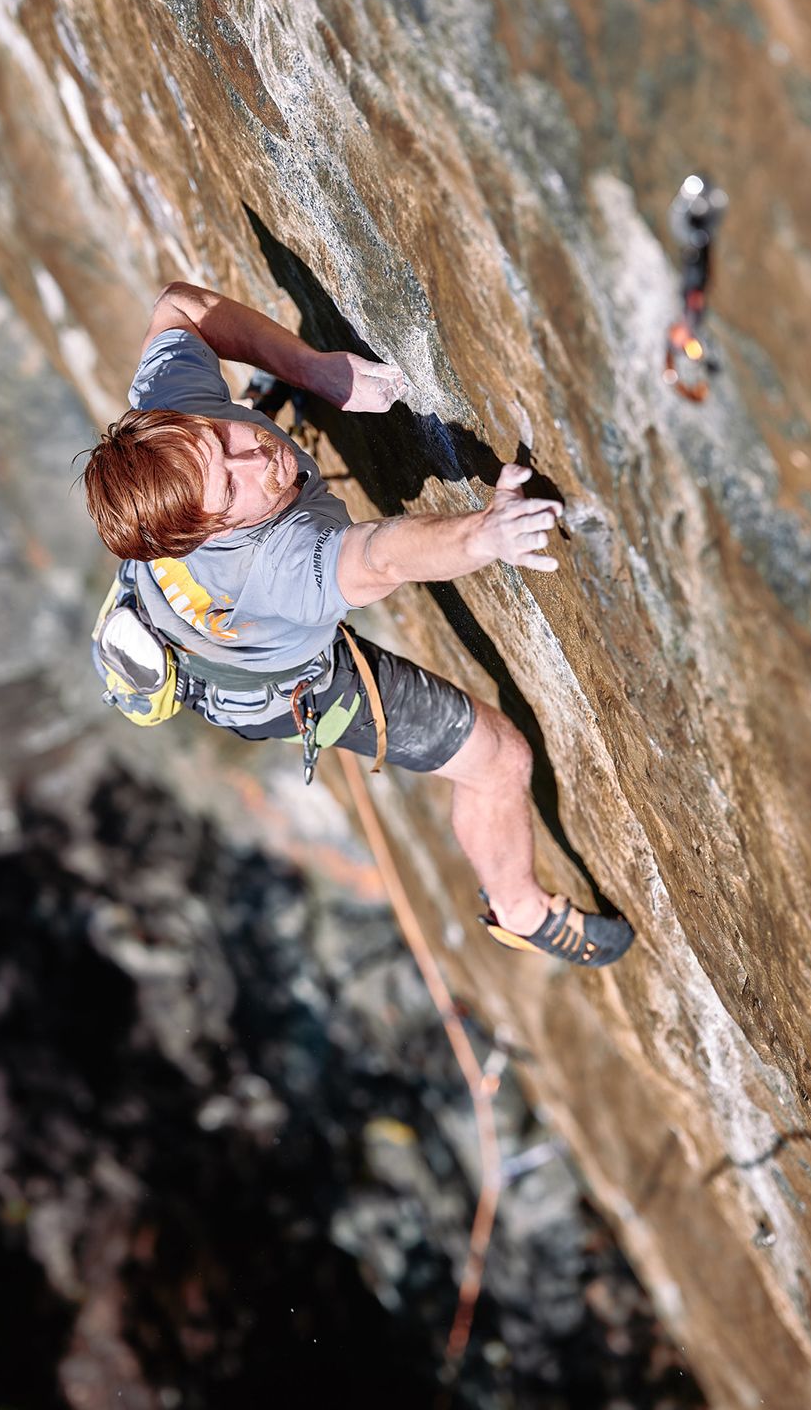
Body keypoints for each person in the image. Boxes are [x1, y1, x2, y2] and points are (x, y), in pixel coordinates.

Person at [81, 282, 633, 968]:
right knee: (498, 761)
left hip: (185, 610)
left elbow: (176, 308)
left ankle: (261, 417)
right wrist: (481, 536)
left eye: (220, 435)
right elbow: (379, 556)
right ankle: (521, 911)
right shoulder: (279, 567)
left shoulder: (172, 416)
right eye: (229, 486)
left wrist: (311, 367)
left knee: (236, 449)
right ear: (204, 532)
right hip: (273, 680)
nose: (254, 452)